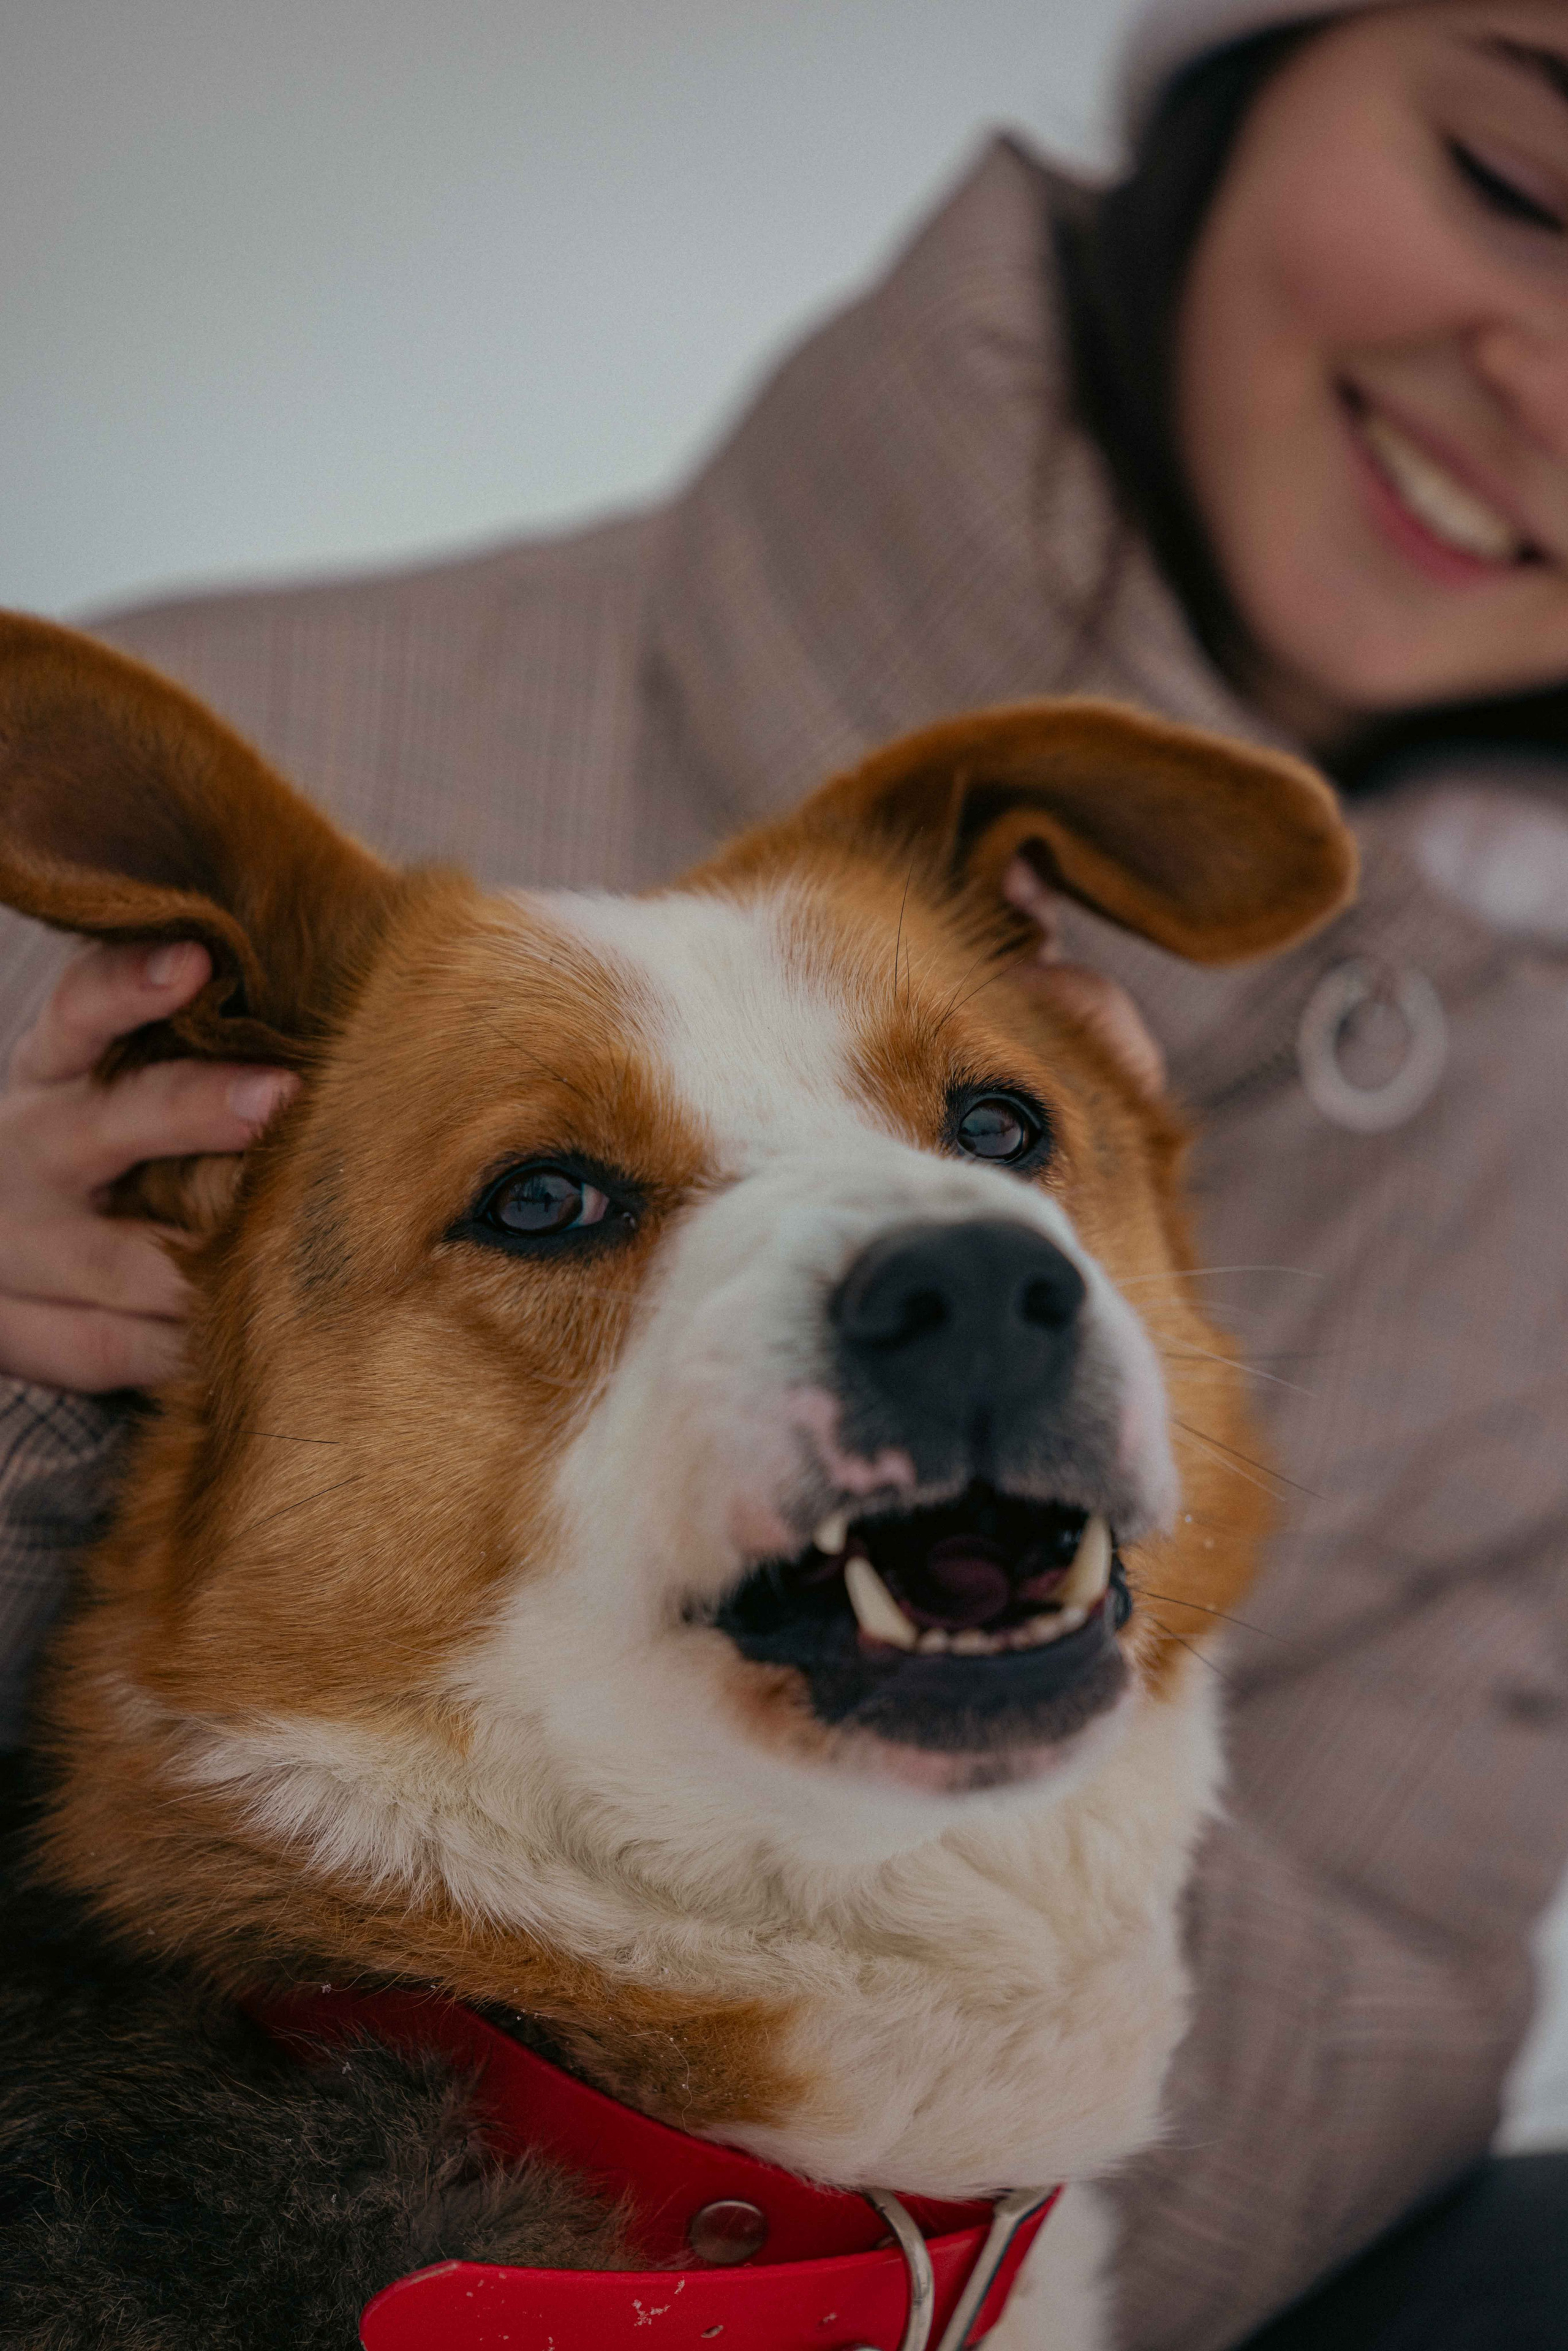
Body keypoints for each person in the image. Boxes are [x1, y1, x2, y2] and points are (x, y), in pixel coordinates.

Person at [2, 1, 1567, 2341]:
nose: (1552, 379)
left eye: (1006, 1132)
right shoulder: (201, 819)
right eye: (1519, 178)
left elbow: (1376, 1975)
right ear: (1245, 78)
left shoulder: (1546, 1162)